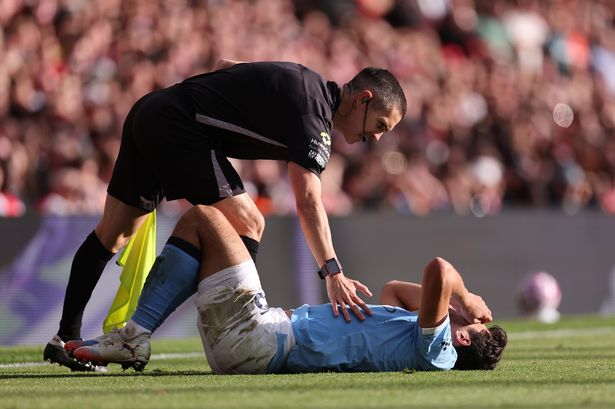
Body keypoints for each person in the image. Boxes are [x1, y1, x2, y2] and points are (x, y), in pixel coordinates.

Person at [43, 61, 407, 370]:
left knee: (113, 234)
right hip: (175, 124)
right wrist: (332, 270)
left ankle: (66, 336)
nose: (376, 139)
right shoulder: (315, 117)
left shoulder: (306, 82)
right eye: (380, 126)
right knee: (249, 222)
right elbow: (308, 201)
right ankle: (219, 333)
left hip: (152, 111)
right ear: (363, 99)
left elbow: (226, 65)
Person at [66, 205, 507, 373]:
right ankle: (136, 334)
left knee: (204, 219)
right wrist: (454, 309)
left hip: (261, 338)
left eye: (470, 326)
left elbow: (440, 269)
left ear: (462, 337)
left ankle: (133, 336)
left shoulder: (439, 350)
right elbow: (393, 290)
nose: (467, 318)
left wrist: (466, 300)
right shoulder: (416, 335)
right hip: (254, 343)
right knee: (226, 227)